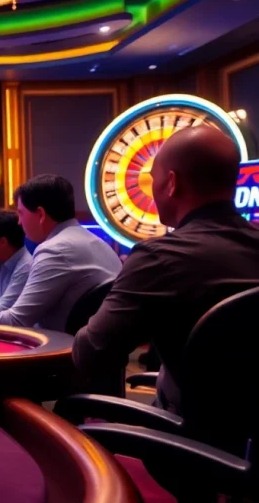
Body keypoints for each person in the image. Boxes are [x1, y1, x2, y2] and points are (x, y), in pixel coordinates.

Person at [74, 126, 259, 415]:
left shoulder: (158, 258)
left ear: (171, 183)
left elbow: (92, 354)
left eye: (152, 180)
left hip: (196, 445)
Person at [0, 174, 121, 330]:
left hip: (65, 359)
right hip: (104, 358)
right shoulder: (100, 244)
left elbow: (18, 319)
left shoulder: (54, 250)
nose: (19, 222)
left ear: (41, 215)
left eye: (21, 213)